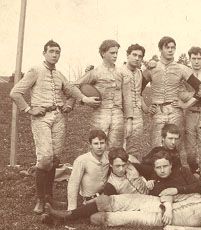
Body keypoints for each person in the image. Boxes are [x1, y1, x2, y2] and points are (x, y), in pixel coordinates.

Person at [9, 40, 100, 214]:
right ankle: (40, 200)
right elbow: (15, 92)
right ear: (44, 53)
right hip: (41, 118)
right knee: (44, 159)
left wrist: (76, 102)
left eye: (57, 52)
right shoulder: (35, 70)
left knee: (54, 159)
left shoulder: (59, 74)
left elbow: (71, 90)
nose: (54, 55)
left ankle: (49, 197)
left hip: (58, 117)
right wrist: (29, 109)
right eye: (51, 51)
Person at [45, 179, 201, 230]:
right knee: (108, 201)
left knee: (101, 218)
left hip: (156, 219)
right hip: (155, 202)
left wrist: (176, 227)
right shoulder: (195, 195)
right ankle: (66, 215)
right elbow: (166, 194)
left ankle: (60, 218)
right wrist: (169, 208)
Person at [141, 36, 201, 162]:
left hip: (175, 111)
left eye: (173, 48)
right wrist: (146, 108)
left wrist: (185, 105)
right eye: (167, 47)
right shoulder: (151, 68)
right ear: (160, 49)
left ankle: (178, 177)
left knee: (177, 145)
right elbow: (136, 90)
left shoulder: (181, 68)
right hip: (157, 111)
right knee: (157, 146)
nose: (170, 50)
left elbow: (200, 88)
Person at [74, 39, 133, 149]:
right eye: (112, 53)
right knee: (97, 146)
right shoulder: (95, 72)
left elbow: (128, 98)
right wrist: (84, 99)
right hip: (100, 114)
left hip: (118, 114)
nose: (115, 56)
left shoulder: (122, 72)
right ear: (103, 53)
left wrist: (129, 121)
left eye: (116, 53)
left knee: (116, 148)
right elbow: (75, 86)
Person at [67, 129, 110, 210]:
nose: (99, 147)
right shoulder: (82, 160)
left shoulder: (108, 156)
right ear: (90, 145)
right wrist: (72, 208)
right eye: (96, 144)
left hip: (105, 195)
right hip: (89, 199)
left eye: (102, 143)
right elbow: (73, 184)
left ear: (106, 144)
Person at [120, 44, 146, 161]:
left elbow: (138, 94)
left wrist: (146, 109)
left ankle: (131, 175)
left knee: (134, 148)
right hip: (122, 114)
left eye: (140, 56)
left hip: (138, 115)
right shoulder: (119, 71)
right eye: (134, 55)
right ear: (127, 55)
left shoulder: (140, 73)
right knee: (120, 147)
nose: (137, 58)